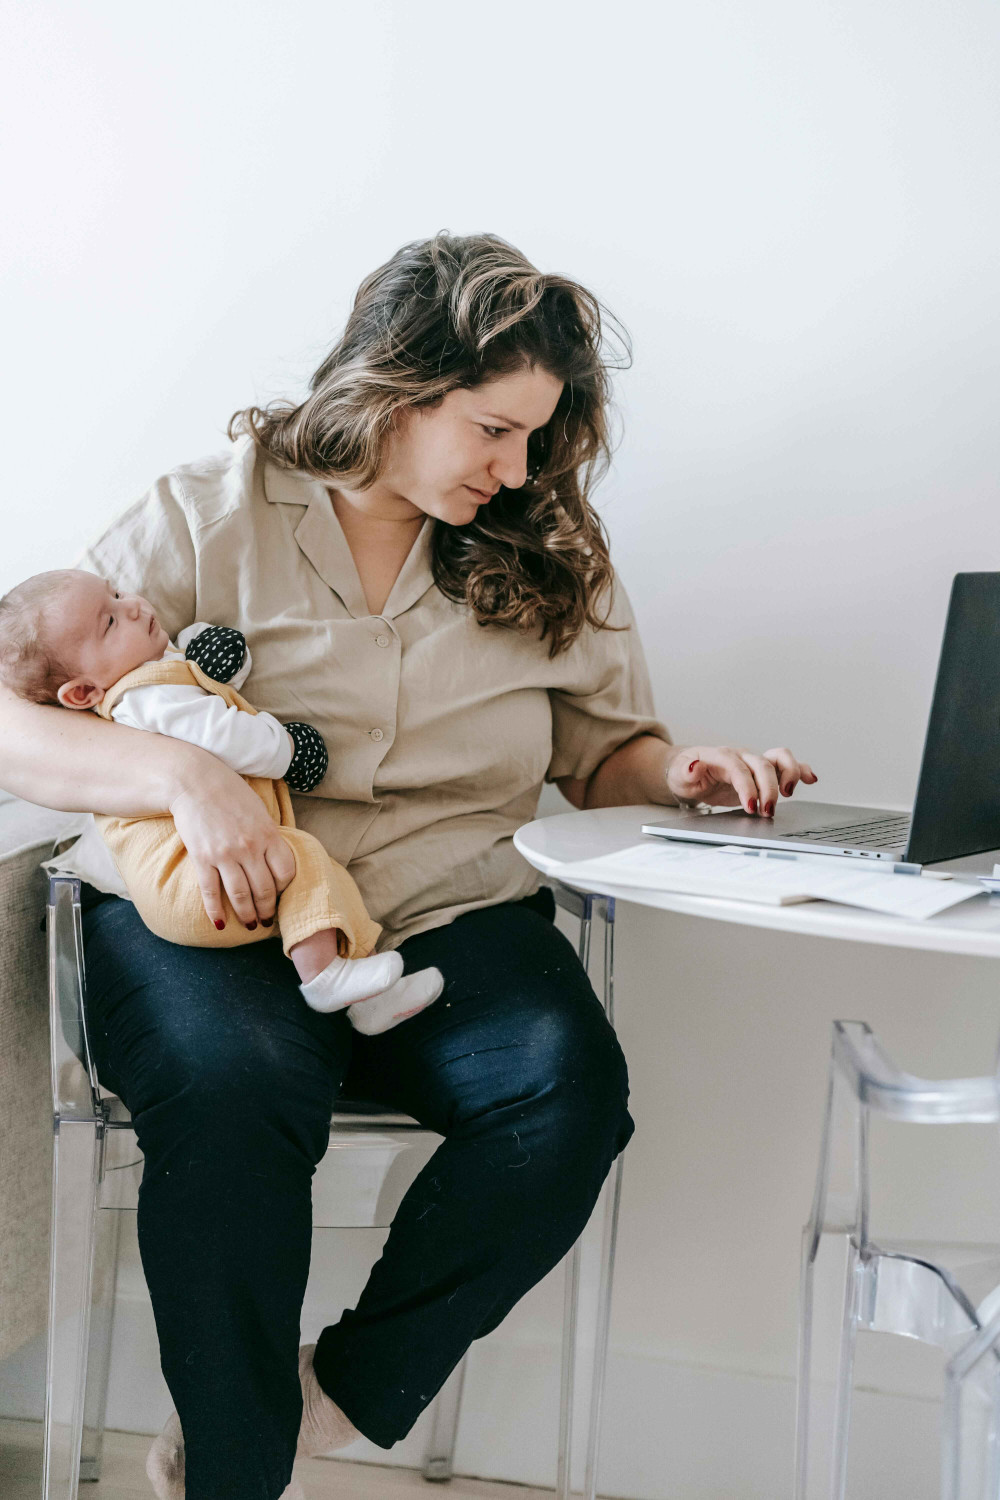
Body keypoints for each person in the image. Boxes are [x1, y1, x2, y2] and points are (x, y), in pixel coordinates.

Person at [0, 230, 816, 1500]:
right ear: (393, 391)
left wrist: (682, 772)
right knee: (228, 1085)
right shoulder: (201, 513)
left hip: (446, 913)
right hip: (221, 917)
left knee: (567, 1100)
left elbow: (605, 756)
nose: (519, 465)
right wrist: (185, 777)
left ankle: (332, 1397)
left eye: (538, 435)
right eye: (493, 430)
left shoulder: (550, 547)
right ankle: (235, 1473)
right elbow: (20, 713)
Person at [0, 573, 445, 1031]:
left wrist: (201, 647)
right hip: (191, 883)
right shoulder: (143, 698)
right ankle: (325, 977)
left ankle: (367, 1000)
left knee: (315, 874)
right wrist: (285, 749)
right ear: (83, 693)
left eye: (117, 592)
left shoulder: (154, 677)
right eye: (109, 621)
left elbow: (199, 683)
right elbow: (223, 734)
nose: (131, 606)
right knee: (305, 861)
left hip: (196, 882)